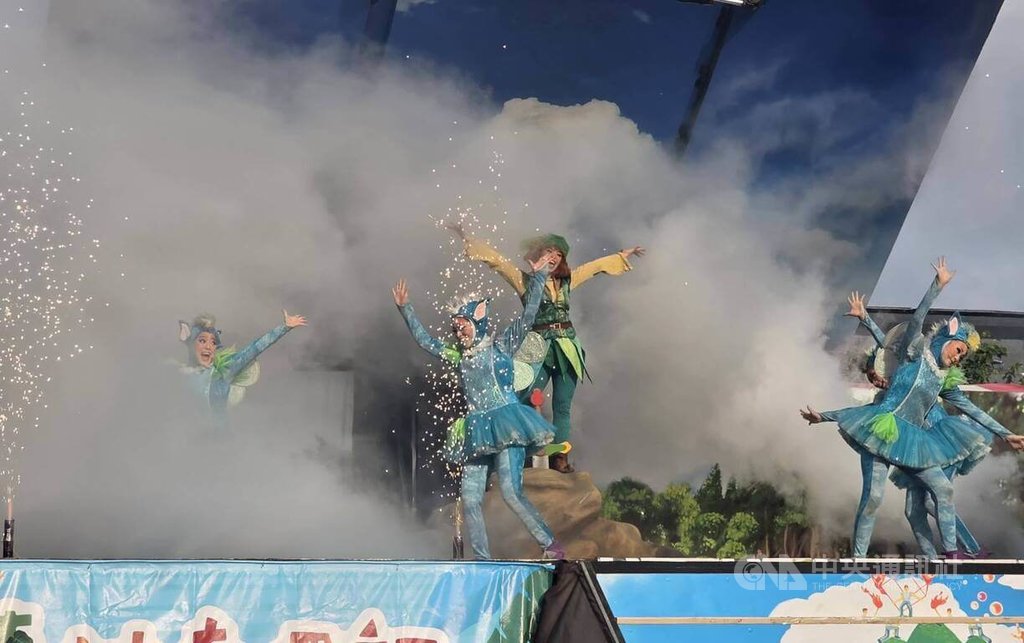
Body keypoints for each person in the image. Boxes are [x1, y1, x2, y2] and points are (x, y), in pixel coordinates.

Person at [800, 258, 1024, 557]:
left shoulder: (944, 381)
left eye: (963, 356)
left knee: (942, 490)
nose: (959, 357)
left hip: (915, 440)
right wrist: (936, 286)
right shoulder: (914, 354)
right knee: (874, 498)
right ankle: (858, 559)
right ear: (947, 338)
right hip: (881, 430)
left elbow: (973, 410)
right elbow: (915, 322)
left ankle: (952, 554)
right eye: (959, 350)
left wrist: (1006, 434)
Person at [393, 250, 565, 559]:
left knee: (511, 491)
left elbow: (528, 316)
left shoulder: (501, 347)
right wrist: (406, 310)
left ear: (478, 322)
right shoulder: (459, 357)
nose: (459, 333)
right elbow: (426, 342)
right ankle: (482, 559)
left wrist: (540, 276)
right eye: (456, 328)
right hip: (476, 431)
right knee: (470, 498)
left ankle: (550, 545)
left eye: (464, 326)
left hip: (508, 425)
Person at [449, 222, 645, 472]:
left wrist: (622, 256)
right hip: (536, 349)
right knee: (526, 401)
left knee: (562, 405)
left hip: (566, 350)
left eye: (558, 254)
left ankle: (560, 456)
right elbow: (498, 262)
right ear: (538, 254)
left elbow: (594, 267)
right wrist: (467, 238)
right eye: (549, 251)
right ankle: (524, 452)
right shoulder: (524, 281)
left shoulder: (567, 280)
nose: (554, 257)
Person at [846, 292, 985, 558]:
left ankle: (970, 551)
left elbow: (894, 344)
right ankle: (935, 560)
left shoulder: (921, 371)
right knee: (913, 510)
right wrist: (864, 318)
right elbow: (891, 350)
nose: (879, 380)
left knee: (937, 498)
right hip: (913, 446)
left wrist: (866, 319)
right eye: (874, 379)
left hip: (940, 440)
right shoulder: (889, 396)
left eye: (879, 374)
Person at [178, 310, 307, 421]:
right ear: (189, 342)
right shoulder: (175, 374)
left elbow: (254, 348)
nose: (209, 346)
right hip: (185, 437)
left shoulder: (223, 372)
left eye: (213, 342)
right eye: (202, 340)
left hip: (219, 438)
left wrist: (284, 327)